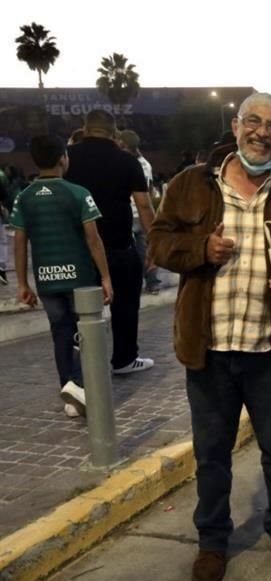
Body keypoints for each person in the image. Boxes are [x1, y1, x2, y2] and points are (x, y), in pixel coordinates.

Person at [150, 92, 271, 581]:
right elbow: (158, 241)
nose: (262, 132)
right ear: (235, 127)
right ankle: (212, 542)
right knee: (212, 455)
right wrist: (201, 248)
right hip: (208, 351)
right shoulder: (191, 184)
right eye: (252, 122)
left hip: (269, 350)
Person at [9, 135, 113, 417]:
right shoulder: (78, 193)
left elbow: (19, 241)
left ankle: (69, 389)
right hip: (79, 277)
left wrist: (22, 283)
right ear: (62, 159)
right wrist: (105, 276)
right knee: (88, 333)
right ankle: (83, 385)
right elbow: (93, 239)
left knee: (61, 334)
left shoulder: (24, 198)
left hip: (47, 280)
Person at [65, 109, 156, 375]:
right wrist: (154, 241)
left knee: (78, 311)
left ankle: (80, 369)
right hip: (118, 244)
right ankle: (125, 358)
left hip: (79, 247)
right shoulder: (128, 161)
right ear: (113, 131)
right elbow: (144, 205)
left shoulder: (68, 158)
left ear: (86, 127)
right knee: (126, 302)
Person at [116, 129, 162, 294]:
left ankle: (132, 284)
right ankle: (152, 282)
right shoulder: (146, 163)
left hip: (129, 213)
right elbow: (149, 191)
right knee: (145, 250)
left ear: (123, 144)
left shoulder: (122, 162)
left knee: (128, 253)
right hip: (142, 214)